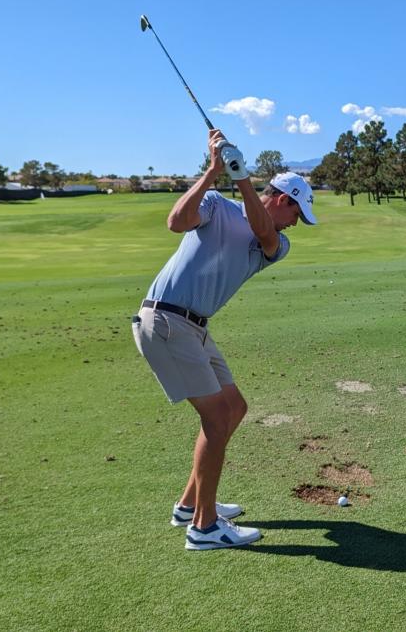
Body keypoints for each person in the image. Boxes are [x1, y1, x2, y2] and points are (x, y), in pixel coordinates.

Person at [132, 129, 316, 550]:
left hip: (194, 327)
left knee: (234, 407)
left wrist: (241, 177)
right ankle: (204, 526)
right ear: (283, 199)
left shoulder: (277, 243)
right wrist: (214, 171)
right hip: (165, 321)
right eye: (297, 214)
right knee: (216, 419)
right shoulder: (216, 206)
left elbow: (265, 232)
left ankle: (189, 504)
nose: (296, 226)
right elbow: (176, 222)